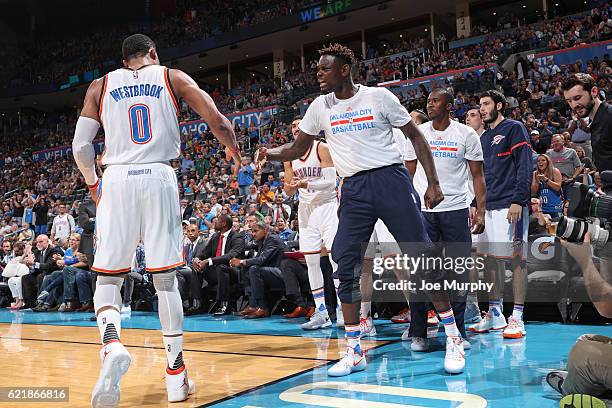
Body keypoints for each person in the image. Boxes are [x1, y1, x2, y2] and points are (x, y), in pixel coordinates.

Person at [257, 44, 460, 377]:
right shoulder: (319, 107)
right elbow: (298, 147)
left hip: (390, 180)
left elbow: (416, 137)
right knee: (345, 259)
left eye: (324, 69)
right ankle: (353, 349)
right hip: (353, 188)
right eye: (317, 70)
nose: (318, 75)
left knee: (420, 255)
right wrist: (270, 152)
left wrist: (433, 183)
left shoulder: (379, 98)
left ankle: (452, 336)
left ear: (344, 69)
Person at [71, 33, 240, 406]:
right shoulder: (172, 76)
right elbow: (215, 118)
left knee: (108, 278)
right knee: (165, 281)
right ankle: (176, 376)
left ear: (122, 59)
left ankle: (112, 343)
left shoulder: (100, 86)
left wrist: (93, 183)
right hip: (160, 176)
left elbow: (81, 146)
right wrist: (230, 145)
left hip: (116, 178)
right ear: (152, 53)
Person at [405, 88, 486, 353]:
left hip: (455, 210)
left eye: (435, 100)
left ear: (449, 105)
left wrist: (481, 210)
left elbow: (477, 176)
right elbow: (408, 172)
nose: (429, 104)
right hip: (423, 214)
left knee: (457, 274)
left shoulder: (466, 134)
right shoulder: (418, 134)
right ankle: (418, 331)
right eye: (427, 100)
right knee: (420, 273)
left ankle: (458, 331)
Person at [470, 90, 532, 340]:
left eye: (486, 104)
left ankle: (517, 316)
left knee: (517, 260)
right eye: (480, 105)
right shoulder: (484, 138)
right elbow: (483, 177)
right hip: (489, 206)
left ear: (499, 105)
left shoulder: (514, 128)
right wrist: (476, 203)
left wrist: (519, 199)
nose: (482, 109)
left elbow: (525, 165)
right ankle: (495, 313)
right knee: (490, 260)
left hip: (510, 204)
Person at [283, 115, 341, 330]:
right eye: (292, 125)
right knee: (311, 262)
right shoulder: (289, 155)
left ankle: (344, 309)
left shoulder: (321, 148)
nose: (295, 127)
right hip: (306, 210)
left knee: (336, 259)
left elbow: (329, 182)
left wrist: (305, 183)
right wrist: (289, 187)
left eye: (299, 124)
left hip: (327, 206)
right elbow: (289, 188)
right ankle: (321, 311)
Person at [191, 214, 245, 316]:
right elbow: (204, 253)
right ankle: (197, 304)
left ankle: (225, 304)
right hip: (216, 271)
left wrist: (208, 261)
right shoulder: (216, 236)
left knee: (221, 267)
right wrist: (198, 259)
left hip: (232, 271)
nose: (215, 223)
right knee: (196, 268)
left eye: (218, 221)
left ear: (224, 224)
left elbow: (231, 255)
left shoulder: (237, 236)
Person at [230, 221, 285, 319]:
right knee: (247, 268)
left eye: (256, 231)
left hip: (281, 273)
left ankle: (262, 308)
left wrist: (241, 261)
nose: (253, 234)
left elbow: (261, 260)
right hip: (269, 271)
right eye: (252, 231)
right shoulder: (262, 240)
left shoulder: (273, 239)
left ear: (266, 230)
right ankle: (253, 305)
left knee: (254, 269)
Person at [562, 73, 612, 172]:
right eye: (569, 101)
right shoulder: (595, 120)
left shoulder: (610, 116)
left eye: (577, 98)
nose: (574, 105)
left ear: (594, 91)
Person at [531, 154, 563, 220]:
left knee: (555, 228)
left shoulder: (555, 171)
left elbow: (558, 187)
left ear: (548, 162)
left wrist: (545, 179)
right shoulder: (535, 173)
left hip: (555, 208)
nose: (540, 162)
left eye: (543, 160)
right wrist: (537, 180)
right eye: (538, 161)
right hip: (542, 209)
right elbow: (534, 191)